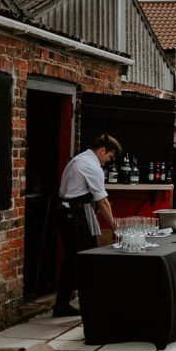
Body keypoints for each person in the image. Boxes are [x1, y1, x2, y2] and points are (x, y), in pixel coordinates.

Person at [55, 134, 121, 316]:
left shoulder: (78, 159)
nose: (109, 161)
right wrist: (116, 227)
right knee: (87, 258)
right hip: (75, 214)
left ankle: (62, 303)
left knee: (73, 259)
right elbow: (103, 202)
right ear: (101, 150)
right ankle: (90, 304)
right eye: (109, 156)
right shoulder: (92, 166)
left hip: (67, 211)